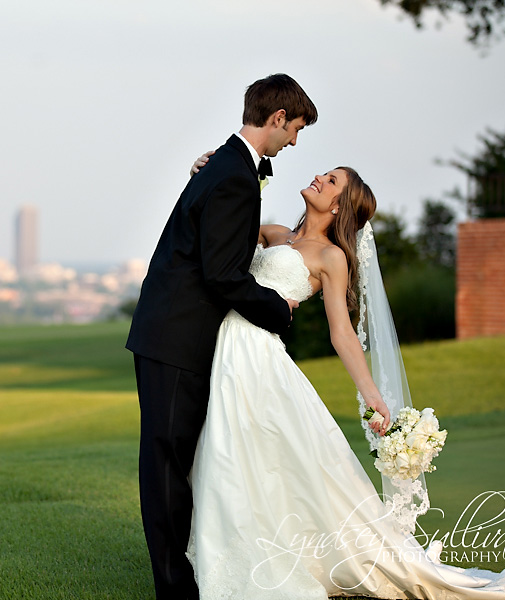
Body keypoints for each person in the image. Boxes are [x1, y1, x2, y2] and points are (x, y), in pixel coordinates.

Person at [185, 158, 505, 599]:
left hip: (258, 360)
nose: (318, 177)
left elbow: (342, 333)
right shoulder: (276, 234)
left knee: (250, 454)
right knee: (228, 454)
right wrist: (206, 175)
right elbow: (224, 221)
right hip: (223, 351)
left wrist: (372, 395)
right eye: (324, 173)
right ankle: (234, 550)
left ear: (339, 206)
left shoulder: (330, 257)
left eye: (330, 180)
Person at [125, 73, 319, 600]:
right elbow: (223, 274)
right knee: (165, 464)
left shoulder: (231, 166)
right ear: (277, 118)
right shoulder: (232, 173)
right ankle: (173, 587)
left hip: (177, 332)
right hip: (175, 335)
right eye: (296, 128)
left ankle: (185, 572)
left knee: (178, 461)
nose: (295, 141)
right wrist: (278, 307)